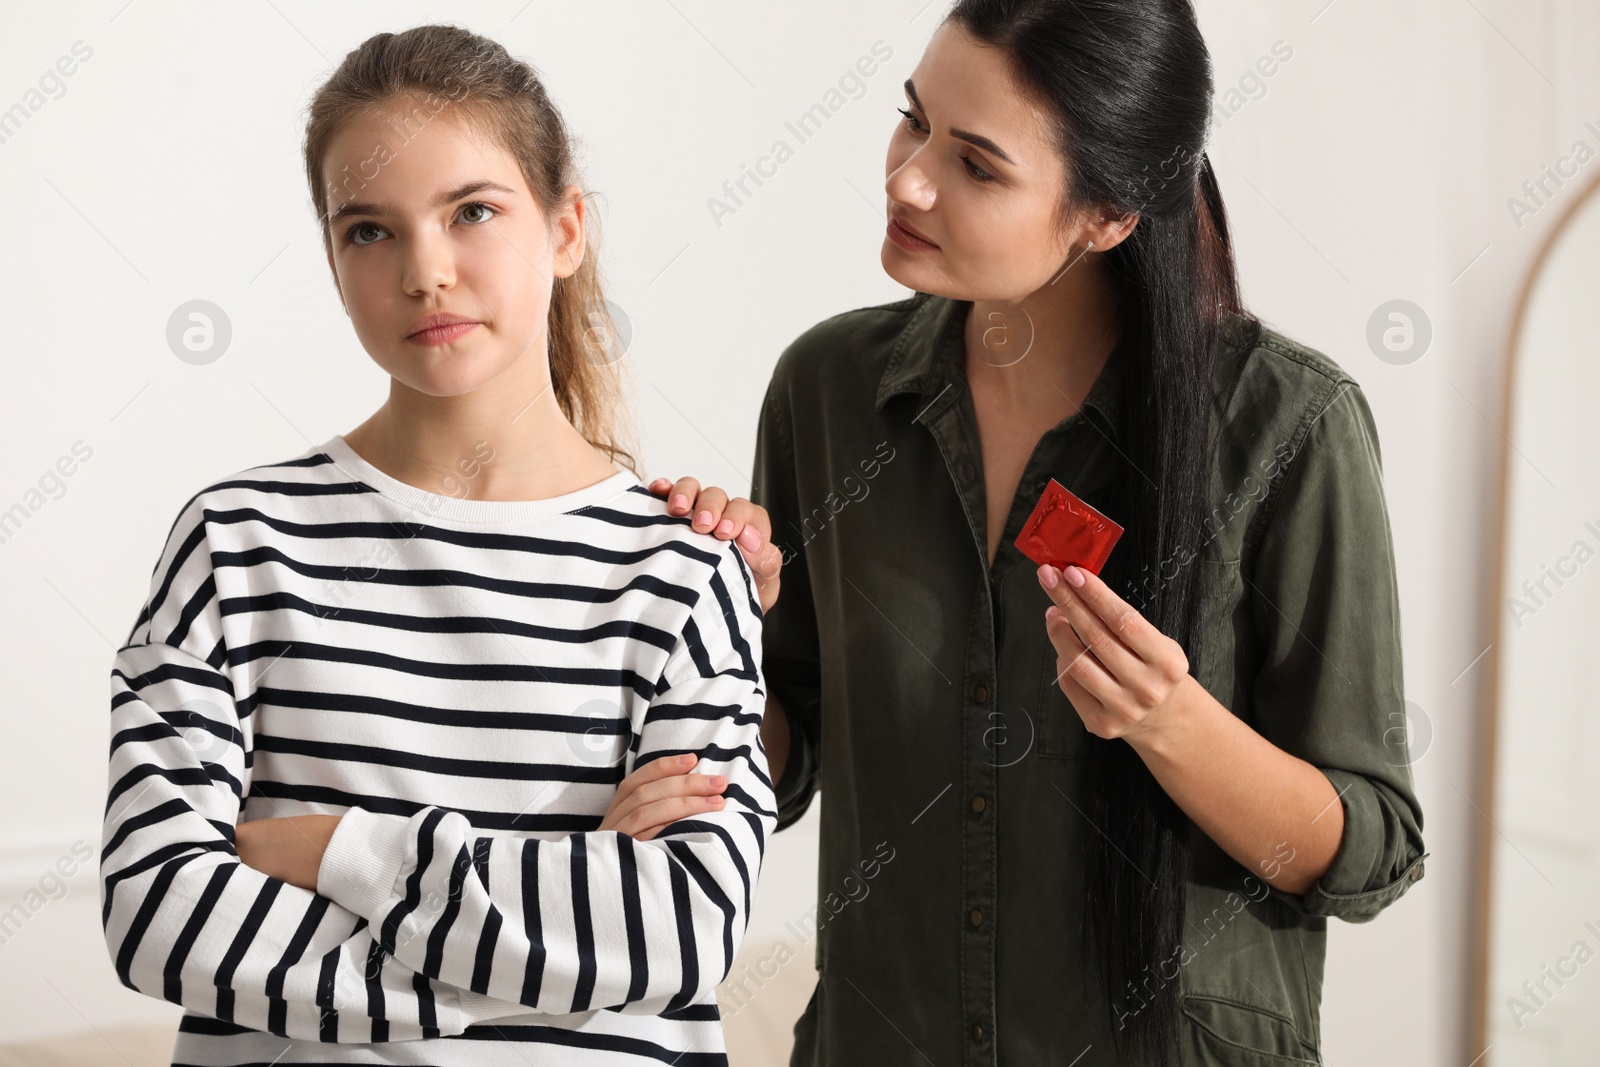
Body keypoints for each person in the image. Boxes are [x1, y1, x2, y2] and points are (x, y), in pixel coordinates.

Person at [647, 0, 1427, 1063]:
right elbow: (783, 759)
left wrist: (1169, 720)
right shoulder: (826, 391)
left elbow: (1366, 845)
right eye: (911, 121)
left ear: (1108, 213)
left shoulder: (1288, 426)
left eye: (975, 164)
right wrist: (712, 623)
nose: (907, 178)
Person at [99, 25, 773, 1065]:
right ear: (330, 256)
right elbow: (157, 910)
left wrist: (338, 848)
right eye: (369, 230)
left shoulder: (686, 567)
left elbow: (679, 928)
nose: (426, 271)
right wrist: (551, 944)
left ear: (565, 228)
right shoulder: (237, 543)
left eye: (473, 212)